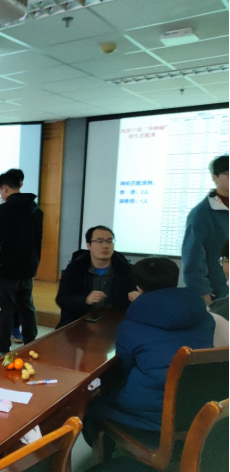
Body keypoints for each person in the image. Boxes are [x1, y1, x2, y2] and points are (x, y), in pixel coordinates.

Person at [82, 257, 215, 444]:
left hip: (153, 418)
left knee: (92, 405)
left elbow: (125, 368)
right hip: (198, 408)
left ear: (138, 287)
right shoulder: (204, 317)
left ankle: (110, 454)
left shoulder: (131, 324)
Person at [0, 171, 43, 354]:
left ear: (5, 188)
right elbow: (38, 241)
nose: (1, 195)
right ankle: (31, 343)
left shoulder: (2, 211)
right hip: (28, 268)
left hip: (7, 269)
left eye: (1, 191)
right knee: (27, 307)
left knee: (5, 309)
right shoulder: (36, 210)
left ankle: (3, 348)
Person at [56, 225, 138, 328]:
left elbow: (135, 301)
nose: (105, 246)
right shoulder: (75, 269)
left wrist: (138, 297)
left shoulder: (127, 270)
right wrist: (85, 300)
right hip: (79, 323)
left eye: (109, 241)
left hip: (115, 323)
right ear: (88, 245)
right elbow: (62, 299)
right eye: (100, 241)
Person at [182, 154, 229, 305]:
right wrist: (201, 289)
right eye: (228, 174)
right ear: (215, 177)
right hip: (219, 290)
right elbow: (193, 255)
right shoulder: (202, 213)